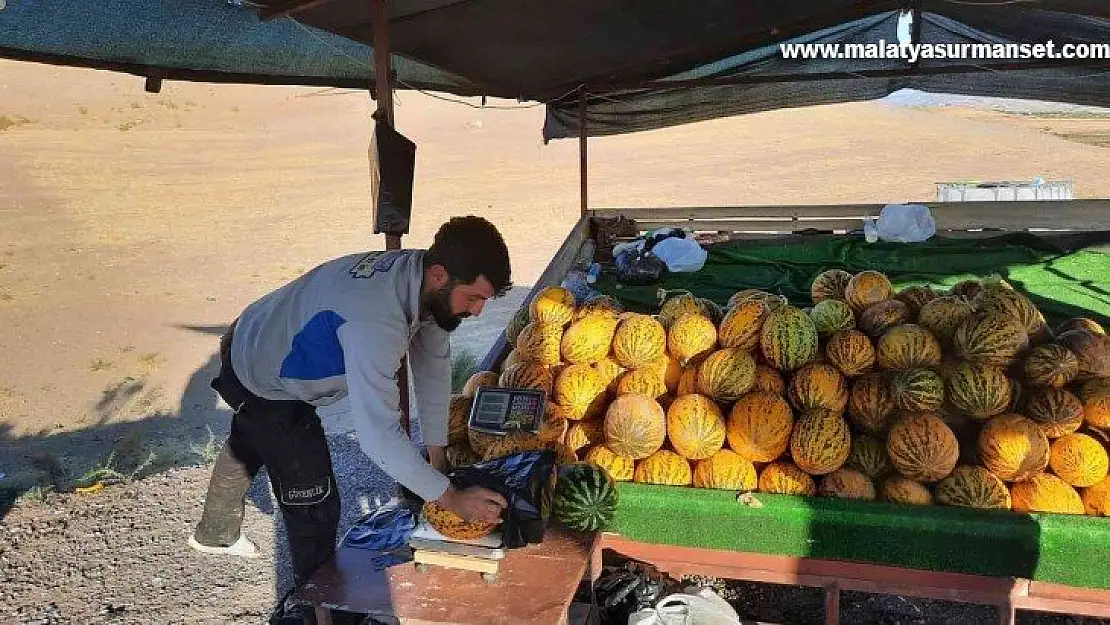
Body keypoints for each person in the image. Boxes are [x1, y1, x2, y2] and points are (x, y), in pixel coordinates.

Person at [188, 215, 512, 589]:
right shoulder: (376, 320)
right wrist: (451, 497)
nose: (477, 312)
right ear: (441, 275)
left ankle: (213, 534)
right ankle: (314, 606)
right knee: (315, 505)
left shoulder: (422, 281)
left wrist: (437, 456)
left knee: (250, 436)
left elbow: (433, 367)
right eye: (473, 298)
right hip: (262, 369)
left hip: (260, 329)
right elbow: (378, 437)